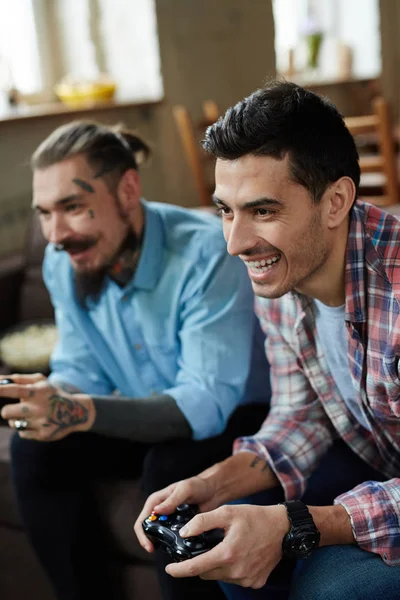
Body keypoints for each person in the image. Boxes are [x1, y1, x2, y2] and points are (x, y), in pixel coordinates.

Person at [135, 81, 400, 600]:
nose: (235, 244)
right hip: (382, 464)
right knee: (226, 543)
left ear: (336, 202)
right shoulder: (283, 273)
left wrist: (300, 524)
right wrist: (215, 483)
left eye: (262, 211)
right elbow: (299, 415)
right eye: (225, 211)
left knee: (332, 587)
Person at [0, 120, 271, 600]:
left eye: (73, 208)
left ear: (127, 191)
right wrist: (49, 400)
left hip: (237, 417)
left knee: (169, 471)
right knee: (34, 448)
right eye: (44, 213)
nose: (56, 234)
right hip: (144, 408)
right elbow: (82, 370)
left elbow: (202, 405)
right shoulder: (65, 260)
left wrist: (81, 411)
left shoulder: (207, 252)